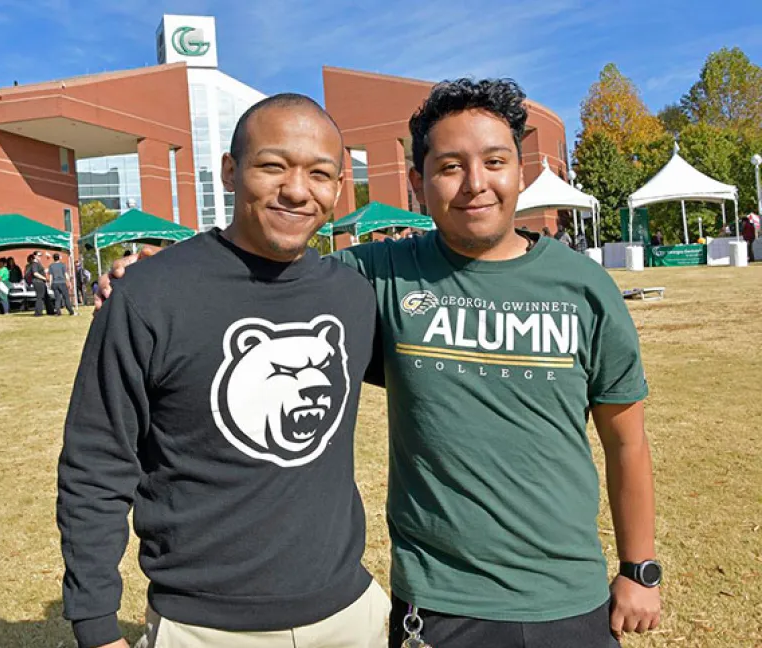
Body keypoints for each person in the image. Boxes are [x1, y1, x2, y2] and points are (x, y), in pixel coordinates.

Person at [97, 82, 662, 648]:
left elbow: (626, 441)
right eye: (449, 166)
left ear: (519, 170)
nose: (475, 183)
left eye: (495, 161)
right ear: (417, 182)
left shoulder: (585, 287)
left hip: (569, 595)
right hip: (441, 601)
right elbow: (267, 268)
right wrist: (151, 273)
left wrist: (640, 568)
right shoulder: (376, 276)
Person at [59, 94, 388, 648]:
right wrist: (95, 625)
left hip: (348, 615)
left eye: (320, 174)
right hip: (203, 627)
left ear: (338, 189)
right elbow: (96, 465)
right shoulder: (151, 294)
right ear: (231, 173)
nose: (297, 190)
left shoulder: (354, 297)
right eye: (273, 166)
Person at [27, 252, 50, 317]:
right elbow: (35, 273)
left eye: (40, 256)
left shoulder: (38, 263)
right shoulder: (34, 264)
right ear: (35, 256)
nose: (40, 257)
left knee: (46, 297)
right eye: (39, 255)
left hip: (41, 282)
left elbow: (42, 271)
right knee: (40, 297)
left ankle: (50, 311)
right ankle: (38, 313)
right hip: (38, 282)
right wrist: (45, 279)